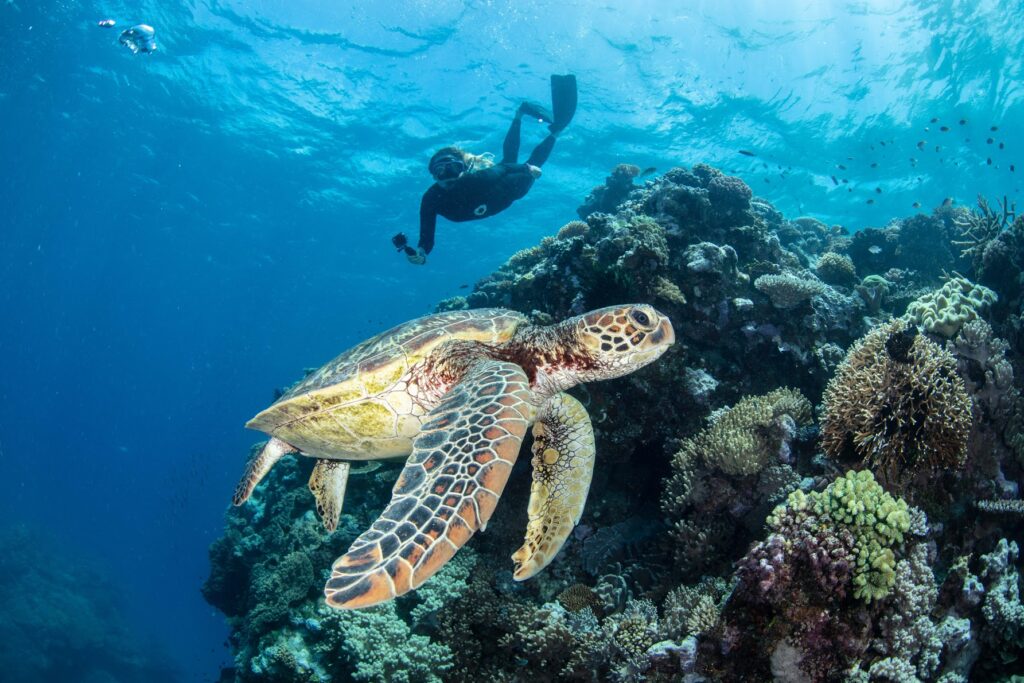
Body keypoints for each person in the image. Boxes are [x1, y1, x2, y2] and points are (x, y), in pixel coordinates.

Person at [393, 74, 577, 265]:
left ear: (463, 169)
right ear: (433, 175)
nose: (448, 176)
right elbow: (427, 234)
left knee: (525, 164)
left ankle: (534, 122)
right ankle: (529, 119)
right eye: (440, 171)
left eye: (453, 168)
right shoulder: (431, 199)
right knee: (513, 161)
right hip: (502, 198)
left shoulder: (476, 179)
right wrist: (421, 253)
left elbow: (505, 168)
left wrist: (527, 168)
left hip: (505, 188)